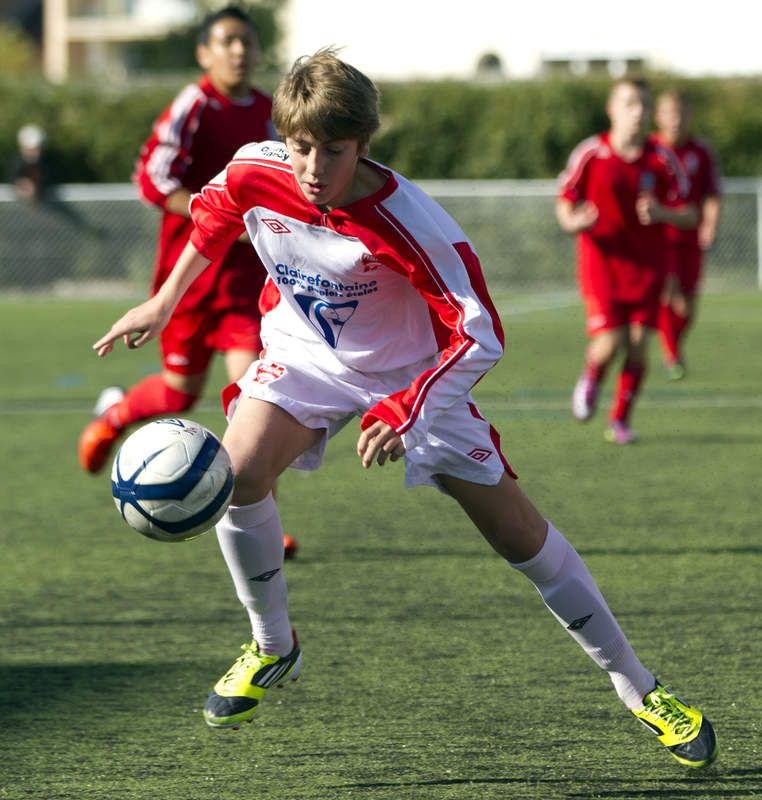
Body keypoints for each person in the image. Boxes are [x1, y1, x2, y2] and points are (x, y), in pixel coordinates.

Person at [92, 49, 717, 769]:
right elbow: (213, 214)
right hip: (306, 354)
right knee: (239, 474)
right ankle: (272, 647)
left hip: (417, 375)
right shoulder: (257, 168)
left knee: (519, 537)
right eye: (301, 147)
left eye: (333, 150)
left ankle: (638, 687)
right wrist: (163, 302)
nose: (313, 167)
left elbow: (481, 334)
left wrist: (405, 406)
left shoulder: (409, 220)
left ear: (363, 144)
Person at [78, 6, 274, 475]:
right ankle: (115, 415)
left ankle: (254, 511)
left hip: (246, 283)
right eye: (228, 41)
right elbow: (152, 177)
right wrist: (215, 213)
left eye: (247, 41)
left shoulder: (271, 114)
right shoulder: (195, 105)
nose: (240, 50)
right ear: (204, 53)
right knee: (178, 393)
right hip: (188, 278)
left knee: (252, 396)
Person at [557, 78, 697, 444]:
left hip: (649, 266)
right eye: (630, 104)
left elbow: (690, 213)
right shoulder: (591, 153)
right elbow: (564, 201)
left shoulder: (660, 157)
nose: (638, 112)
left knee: (638, 343)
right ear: (612, 109)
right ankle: (592, 375)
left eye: (644, 105)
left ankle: (619, 419)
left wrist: (664, 212)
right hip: (601, 263)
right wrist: (575, 221)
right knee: (610, 342)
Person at [648, 90, 722, 381]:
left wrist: (710, 224)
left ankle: (672, 345)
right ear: (658, 116)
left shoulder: (700, 151)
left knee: (688, 305)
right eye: (669, 113)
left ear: (688, 116)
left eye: (680, 113)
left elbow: (712, 194)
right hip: (659, 237)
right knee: (668, 292)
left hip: (690, 234)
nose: (675, 120)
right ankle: (671, 356)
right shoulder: (649, 148)